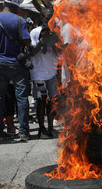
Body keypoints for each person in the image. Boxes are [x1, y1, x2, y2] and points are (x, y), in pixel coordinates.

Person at [0, 0, 32, 141]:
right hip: (17, 64)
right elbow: (27, 42)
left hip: (0, 63)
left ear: (3, 4)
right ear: (16, 8)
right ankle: (24, 132)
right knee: (21, 98)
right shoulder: (20, 21)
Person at [29, 8, 59, 139]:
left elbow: (59, 52)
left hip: (51, 73)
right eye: (47, 18)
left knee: (52, 101)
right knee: (41, 101)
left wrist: (54, 41)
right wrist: (42, 40)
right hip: (39, 74)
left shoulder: (56, 33)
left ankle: (51, 127)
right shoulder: (35, 32)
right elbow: (32, 52)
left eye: (51, 18)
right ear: (42, 18)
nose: (49, 21)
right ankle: (41, 129)